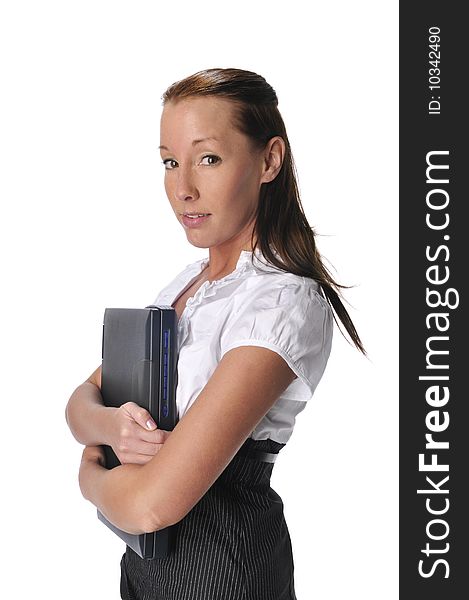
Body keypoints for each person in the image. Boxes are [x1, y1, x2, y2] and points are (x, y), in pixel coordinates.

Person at [65, 67, 365, 600]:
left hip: (223, 567)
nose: (183, 188)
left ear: (269, 160)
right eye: (169, 162)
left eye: (209, 158)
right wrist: (110, 428)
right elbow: (79, 403)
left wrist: (90, 478)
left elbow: (151, 505)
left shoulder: (281, 301)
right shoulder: (186, 285)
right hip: (144, 565)